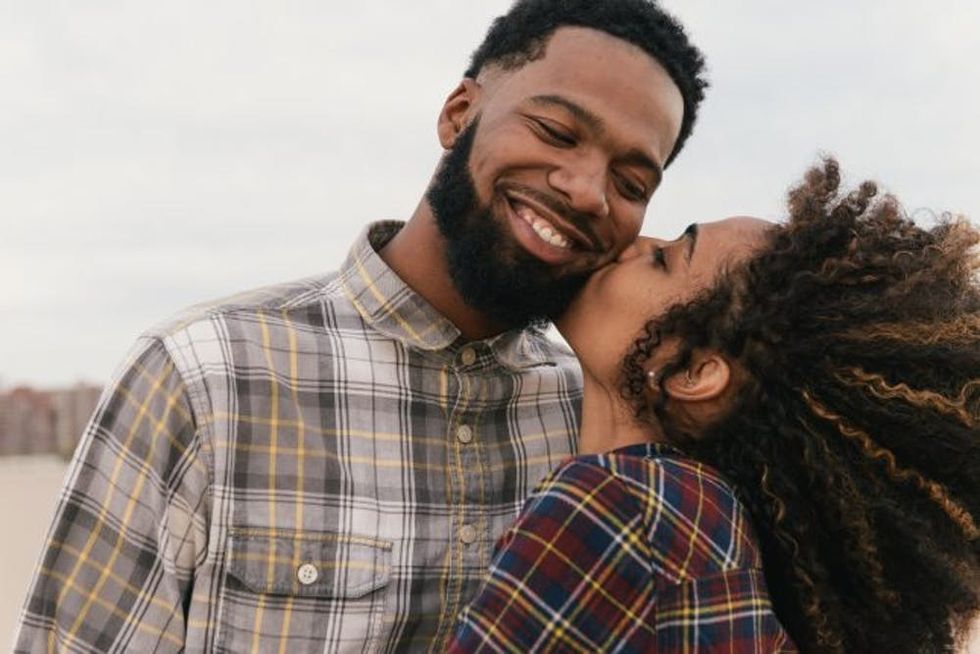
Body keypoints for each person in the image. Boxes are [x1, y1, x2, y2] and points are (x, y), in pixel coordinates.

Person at [14, 1, 708, 652]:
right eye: (557, 132)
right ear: (459, 113)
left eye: (631, 182)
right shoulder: (207, 376)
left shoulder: (600, 432)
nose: (588, 190)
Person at [448, 158, 980, 653]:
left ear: (694, 373)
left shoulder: (611, 506)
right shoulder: (714, 519)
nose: (633, 242)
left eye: (662, 259)